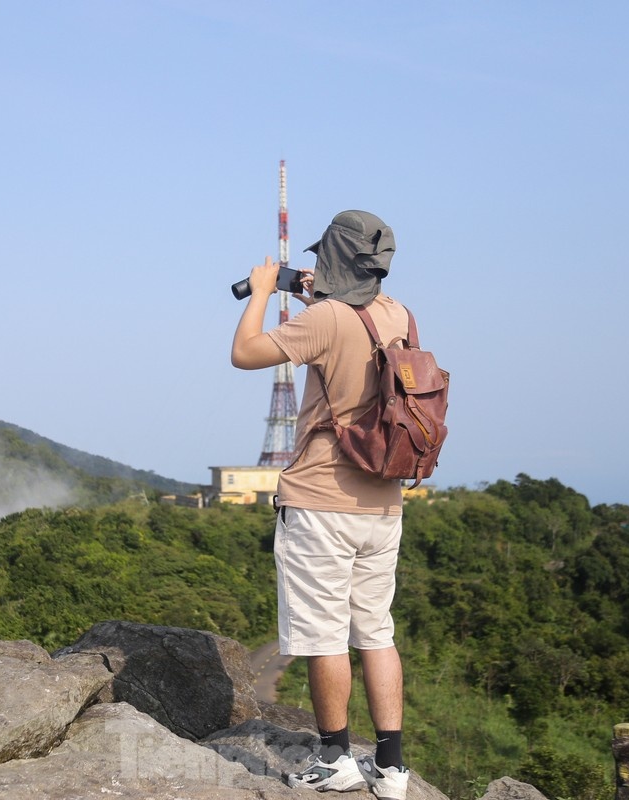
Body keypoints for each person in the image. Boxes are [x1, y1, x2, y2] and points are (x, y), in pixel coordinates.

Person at [231, 210, 413, 799]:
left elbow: (246, 352)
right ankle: (391, 767)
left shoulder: (324, 319)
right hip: (384, 504)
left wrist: (262, 293)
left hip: (322, 504)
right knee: (376, 634)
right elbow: (361, 335)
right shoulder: (400, 314)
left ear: (332, 257)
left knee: (325, 635)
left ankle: (334, 756)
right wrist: (323, 294)